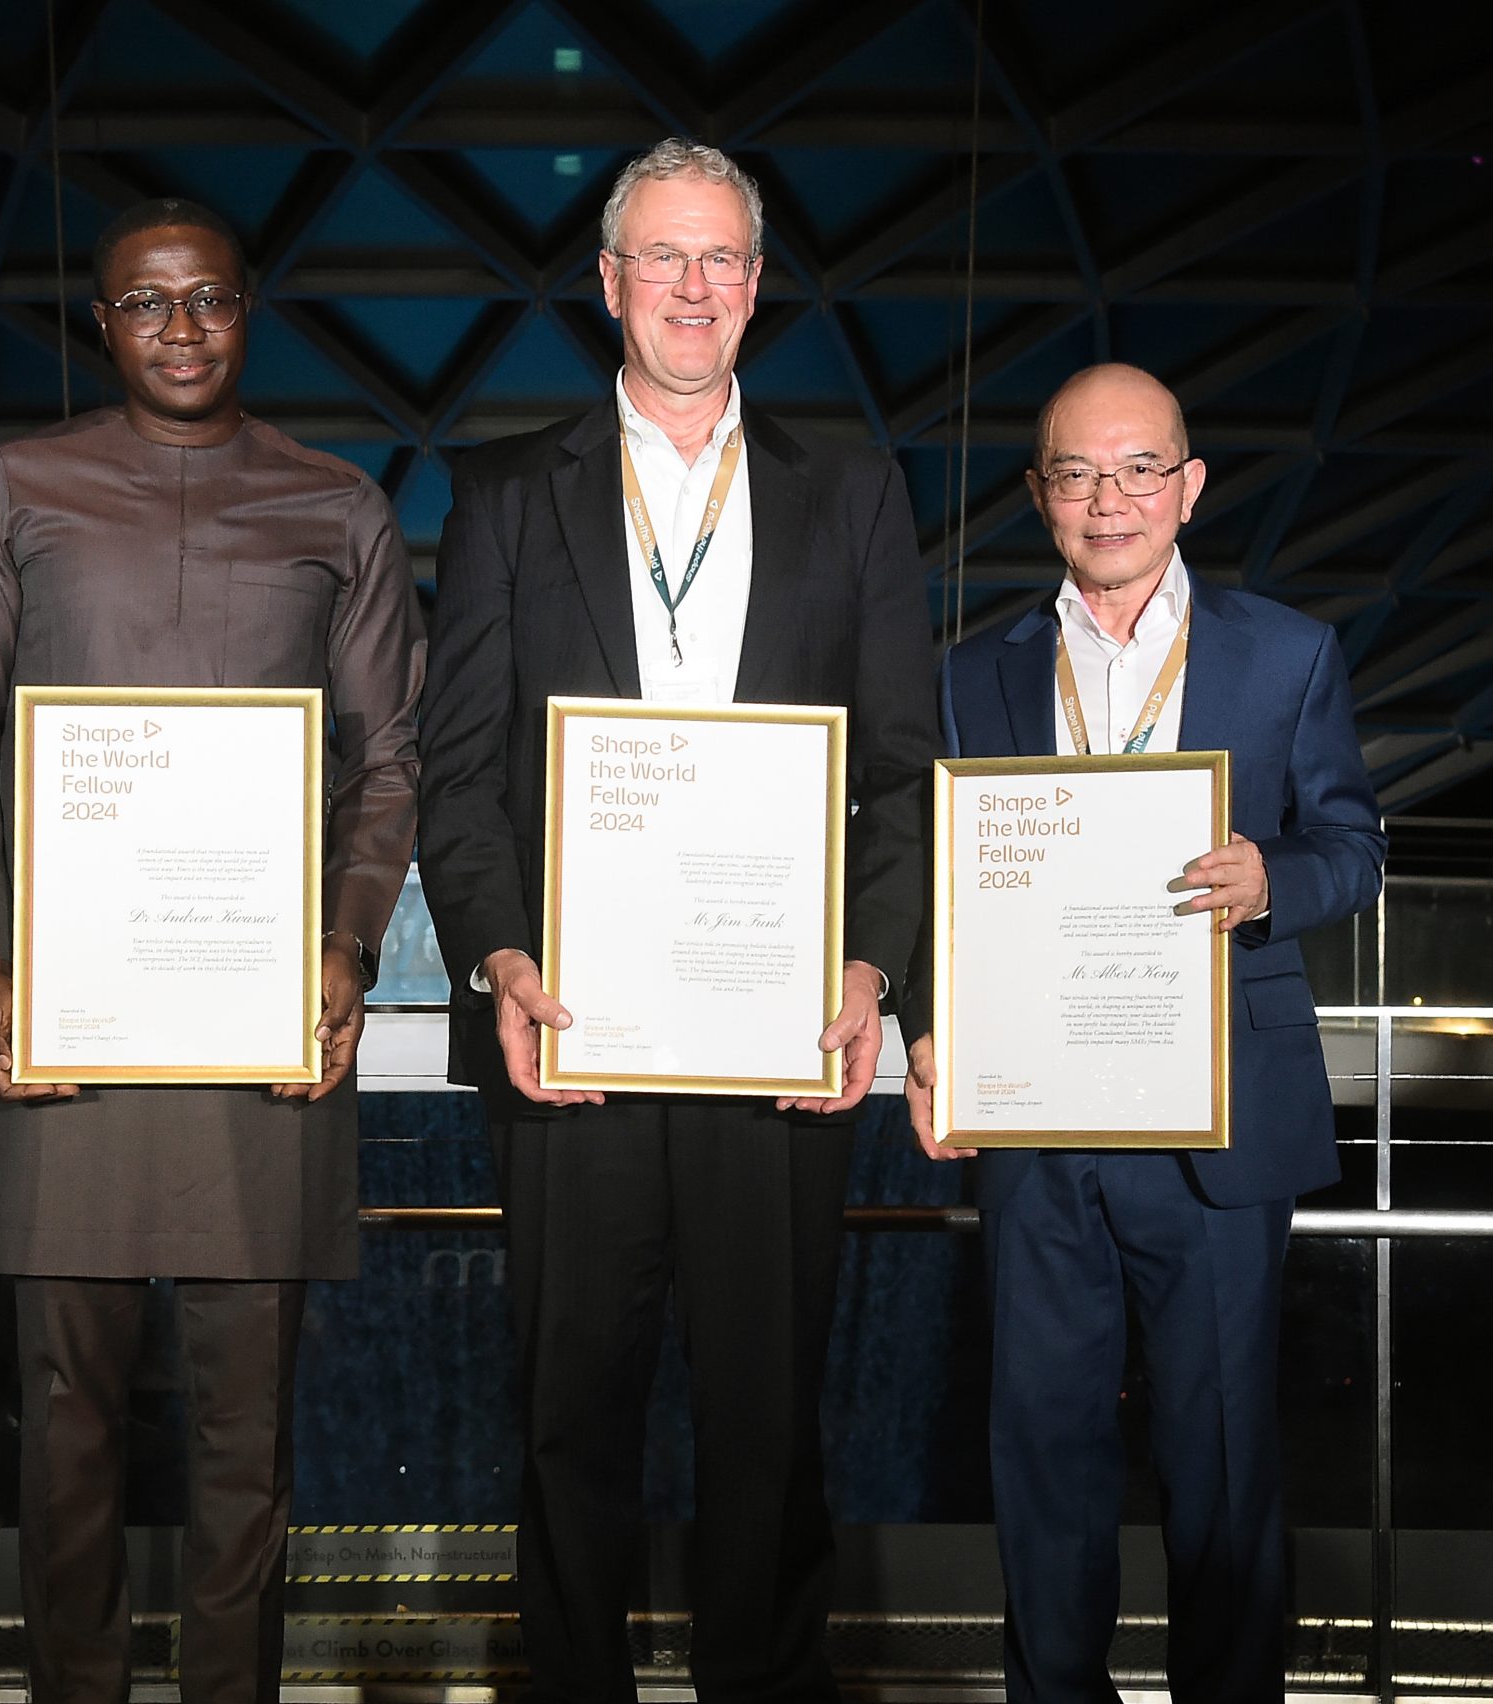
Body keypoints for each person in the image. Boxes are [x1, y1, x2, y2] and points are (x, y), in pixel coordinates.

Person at [414, 139, 936, 1704]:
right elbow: (457, 775)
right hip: (572, 1036)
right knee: (569, 1418)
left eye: (723, 260)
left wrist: (869, 965)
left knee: (769, 1425)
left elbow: (905, 774)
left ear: (757, 286)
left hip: (777, 1037)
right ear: (611, 283)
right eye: (666, 258)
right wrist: (503, 959)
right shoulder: (506, 492)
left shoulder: (851, 491)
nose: (696, 287)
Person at [0, 197, 423, 1704]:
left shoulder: (340, 508)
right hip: (59, 1019)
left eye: (208, 299)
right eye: (147, 304)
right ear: (103, 323)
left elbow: (388, 760)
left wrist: (346, 944)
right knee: (63, 1430)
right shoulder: (16, 490)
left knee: (247, 1445)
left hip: (259, 1036)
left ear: (249, 309)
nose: (182, 328)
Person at [901, 362, 1385, 1704]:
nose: (1108, 499)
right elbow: (945, 890)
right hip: (1039, 1121)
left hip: (1219, 1124)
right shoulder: (974, 674)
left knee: (1221, 1463)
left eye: (1138, 470)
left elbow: (1357, 847)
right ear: (1040, 496)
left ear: (1191, 487)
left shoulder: (1286, 653)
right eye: (1076, 473)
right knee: (1041, 1455)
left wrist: (1273, 879)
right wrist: (933, 1041)